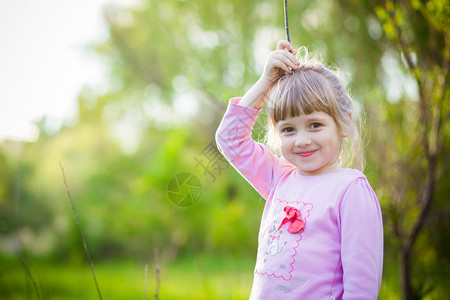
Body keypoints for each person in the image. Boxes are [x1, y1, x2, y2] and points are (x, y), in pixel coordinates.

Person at [215, 40, 383, 299]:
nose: (302, 140)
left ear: (344, 125)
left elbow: (361, 287)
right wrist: (265, 84)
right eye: (288, 129)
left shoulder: (350, 190)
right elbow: (230, 139)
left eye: (315, 125)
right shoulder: (279, 177)